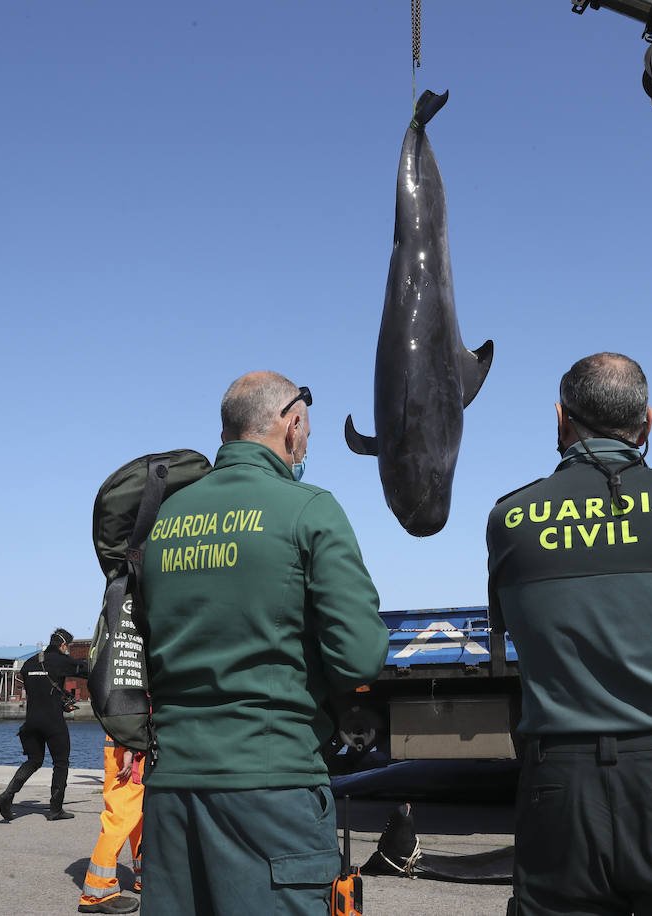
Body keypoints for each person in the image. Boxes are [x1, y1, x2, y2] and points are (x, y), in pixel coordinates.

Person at [486, 352, 652, 916]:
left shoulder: (509, 518)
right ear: (647, 424)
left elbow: (520, 634)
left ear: (560, 420)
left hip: (559, 787)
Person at [139, 371, 390, 915]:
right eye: (308, 431)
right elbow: (360, 655)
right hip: (272, 786)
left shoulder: (165, 518)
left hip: (171, 790)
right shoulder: (309, 508)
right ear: (290, 422)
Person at [0, 627, 89, 822]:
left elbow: (30, 685)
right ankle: (55, 810)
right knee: (60, 763)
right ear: (63, 645)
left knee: (34, 760)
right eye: (68, 648)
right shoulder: (61, 661)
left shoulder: (30, 663)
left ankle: (8, 794)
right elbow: (87, 671)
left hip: (31, 722)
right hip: (53, 722)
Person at [77, 734, 145, 914]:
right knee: (120, 819)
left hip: (132, 746)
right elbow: (130, 710)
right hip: (130, 748)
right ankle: (97, 892)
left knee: (138, 818)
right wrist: (131, 748)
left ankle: (143, 877)